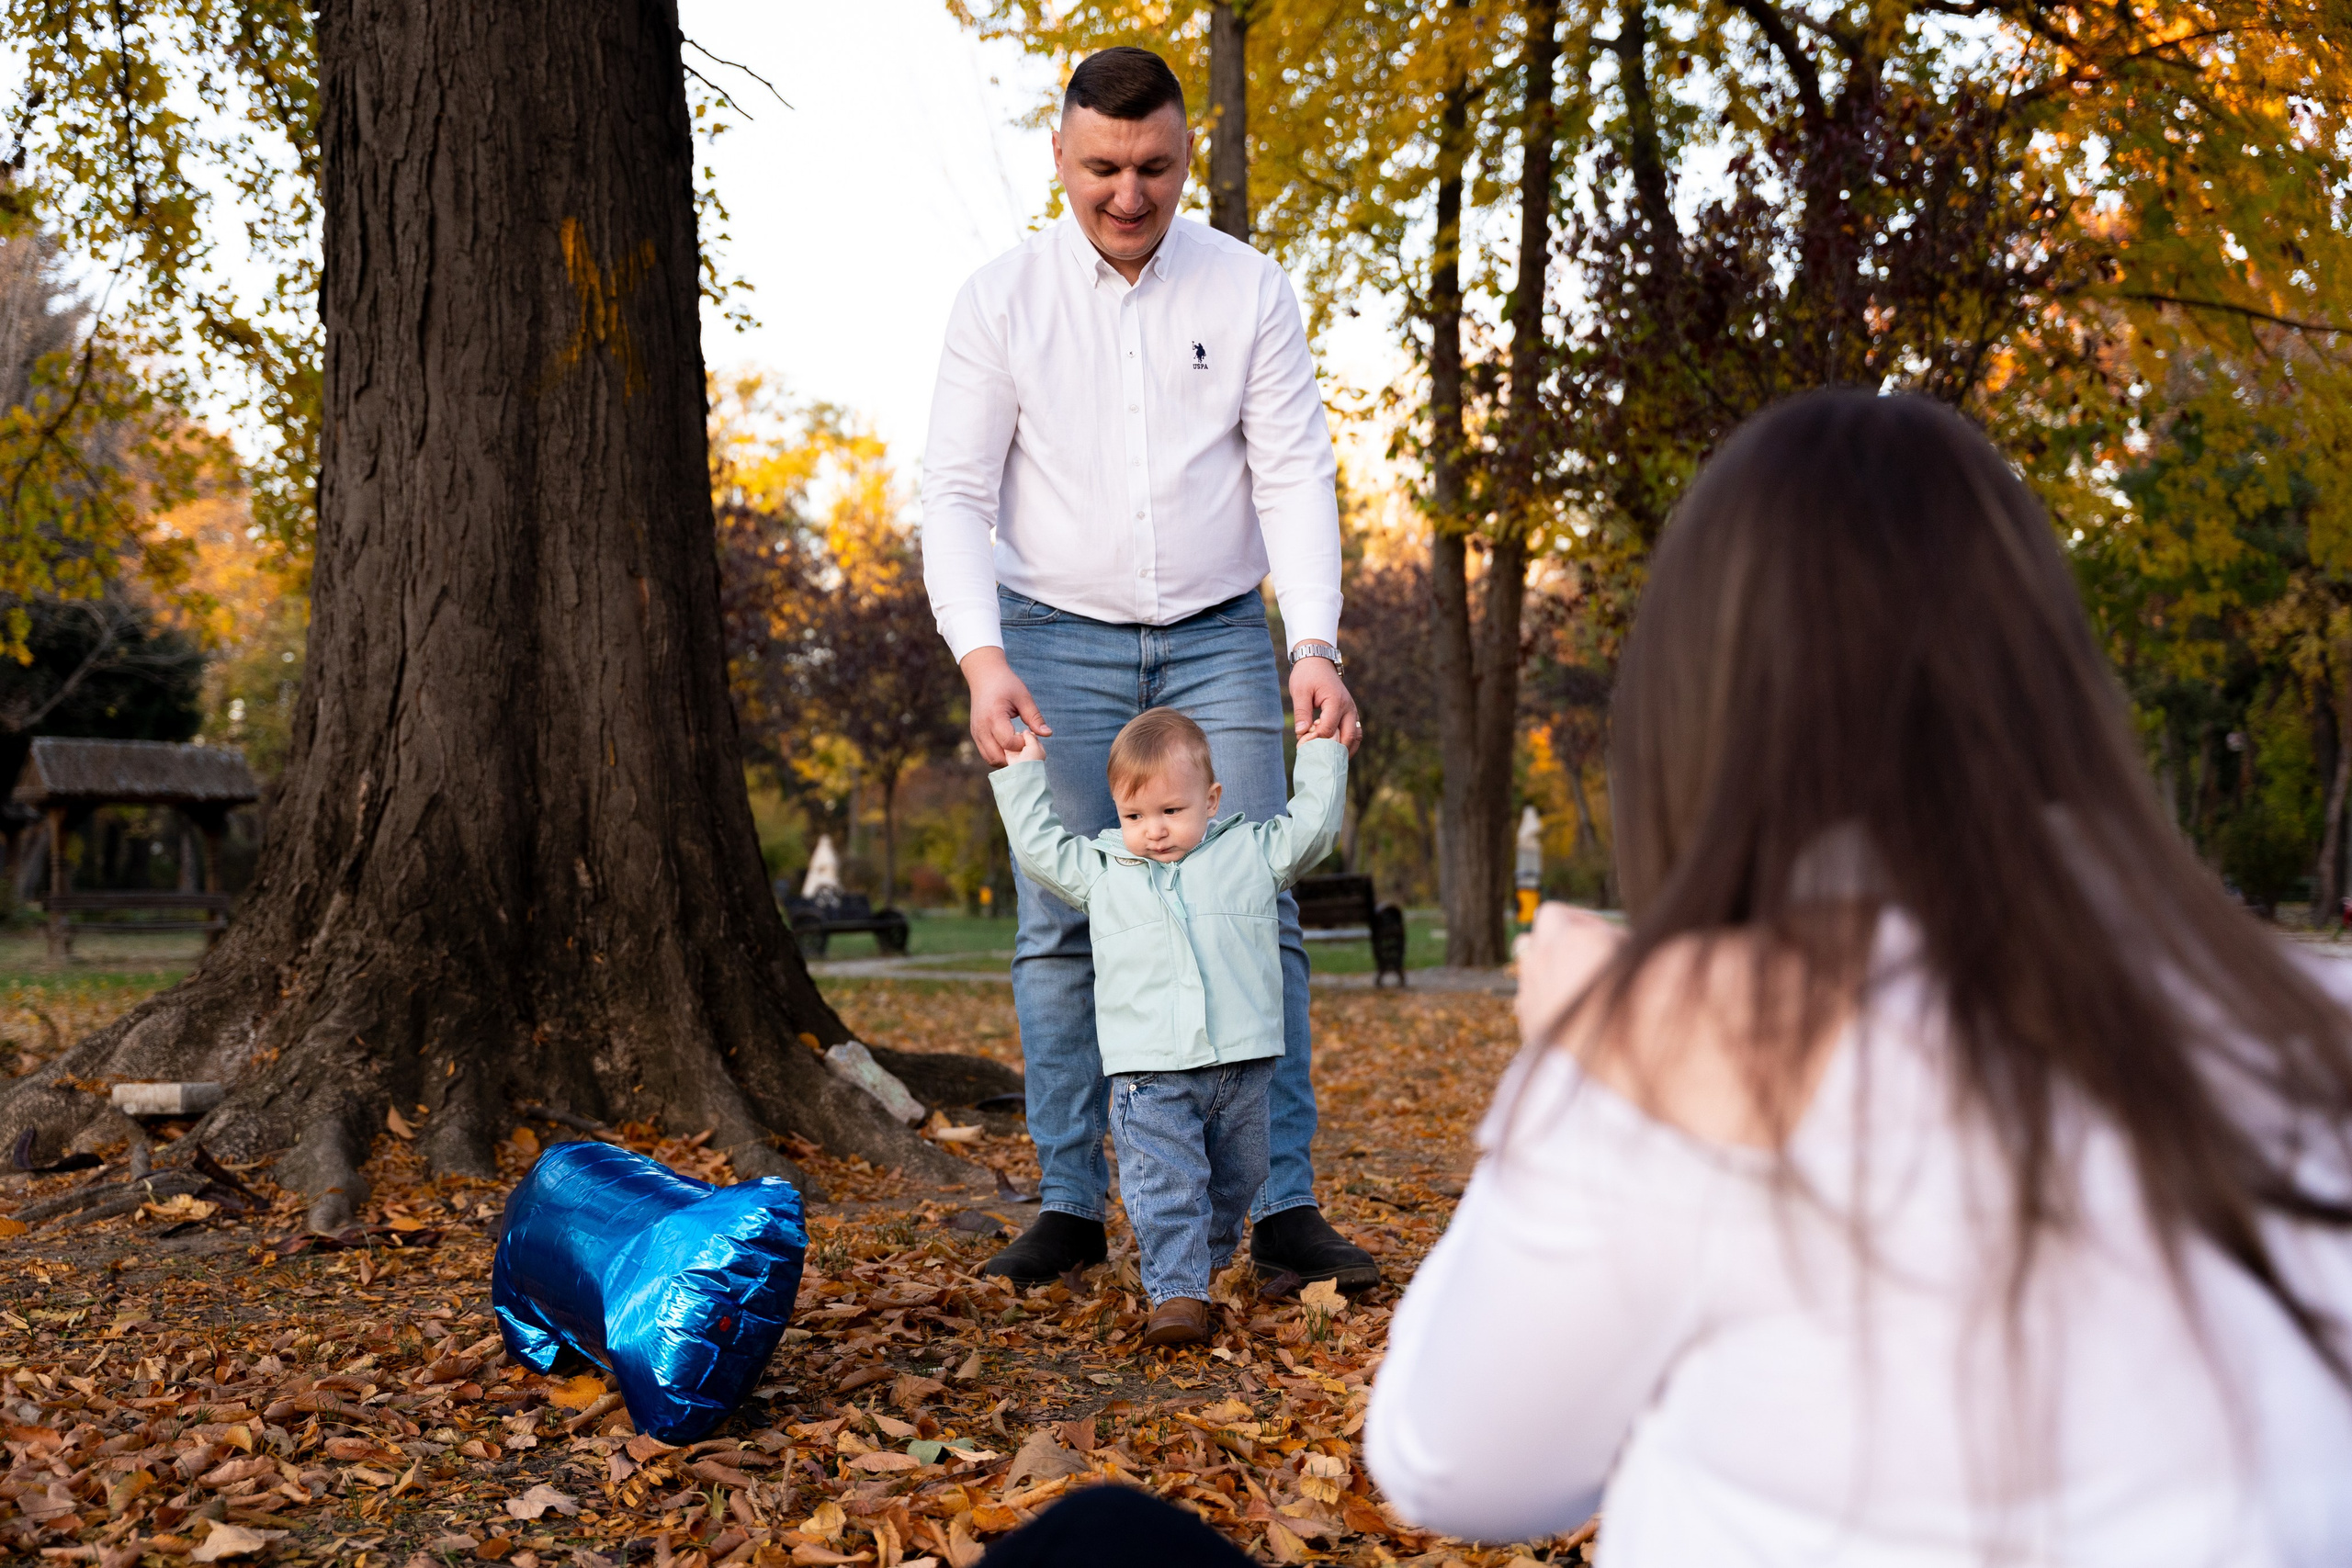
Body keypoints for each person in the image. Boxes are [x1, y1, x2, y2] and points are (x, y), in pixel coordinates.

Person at [1364, 389, 2352, 1563]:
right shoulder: (2312, 1024)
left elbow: (1450, 1463)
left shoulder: (1682, 1055)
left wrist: (1592, 1054)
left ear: (1699, 709)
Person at [921, 45, 1374, 1291]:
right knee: (1061, 922)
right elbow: (954, 492)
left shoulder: (1248, 289)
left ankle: (1281, 1204)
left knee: (1257, 903)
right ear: (1060, 157)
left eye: (1157, 167)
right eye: (1104, 168)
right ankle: (1071, 1200)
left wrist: (1313, 641)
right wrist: (981, 658)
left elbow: (1294, 471)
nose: (1130, 193)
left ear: (1186, 157)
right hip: (1050, 635)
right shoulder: (1001, 302)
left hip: (1220, 632)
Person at [990, 711, 1346, 1344]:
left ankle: (1199, 1261)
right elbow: (1039, 849)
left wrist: (1321, 752)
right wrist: (1022, 774)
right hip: (1149, 1074)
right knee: (1167, 1183)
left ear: (1211, 800)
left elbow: (1314, 829)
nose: (1152, 830)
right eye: (1134, 815)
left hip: (1243, 1068)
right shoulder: (1103, 870)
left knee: (1237, 1178)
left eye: (1171, 811)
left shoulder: (1251, 852)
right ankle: (1178, 1294)